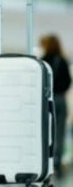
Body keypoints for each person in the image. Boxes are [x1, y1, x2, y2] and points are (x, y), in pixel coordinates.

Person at [40, 34, 71, 177]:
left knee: (46, 131)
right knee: (60, 132)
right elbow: (68, 81)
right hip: (60, 99)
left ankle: (46, 161)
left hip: (47, 98)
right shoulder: (63, 60)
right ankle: (57, 161)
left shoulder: (43, 61)